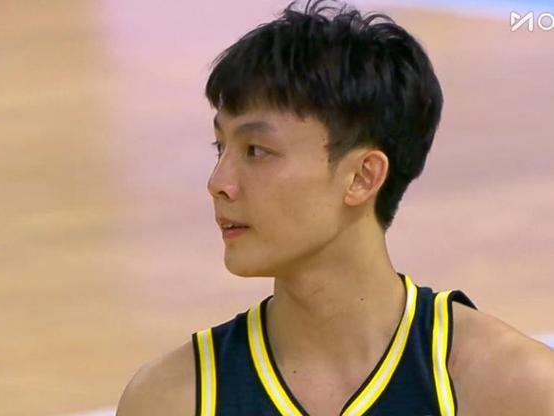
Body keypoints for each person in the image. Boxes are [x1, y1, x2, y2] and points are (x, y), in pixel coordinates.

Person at [117, 1, 554, 414]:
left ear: (362, 176)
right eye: (220, 147)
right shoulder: (171, 400)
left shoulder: (513, 389)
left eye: (256, 150)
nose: (218, 183)